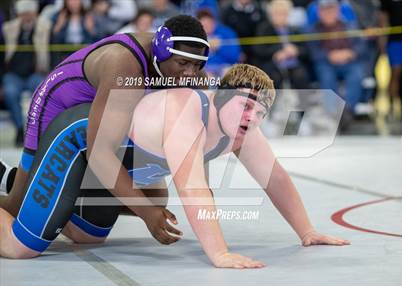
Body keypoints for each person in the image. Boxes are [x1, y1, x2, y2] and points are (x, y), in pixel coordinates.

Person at [0, 64, 350, 267]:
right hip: (80, 141)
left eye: (260, 113)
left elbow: (275, 179)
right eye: (247, 107)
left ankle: (17, 183)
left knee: (85, 237)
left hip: (111, 168)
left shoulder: (241, 130)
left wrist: (306, 231)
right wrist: (220, 252)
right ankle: (30, 195)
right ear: (222, 97)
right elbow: (193, 187)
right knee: (21, 247)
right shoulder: (189, 112)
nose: (253, 118)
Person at [0, 15, 210, 247]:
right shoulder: (126, 69)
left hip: (94, 113)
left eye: (197, 65)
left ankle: (27, 182)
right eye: (183, 64)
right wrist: (147, 215)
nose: (190, 73)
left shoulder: (187, 69)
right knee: (16, 205)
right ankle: (26, 186)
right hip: (56, 105)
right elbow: (100, 154)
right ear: (161, 51)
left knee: (155, 198)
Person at [2, 0, 51, 146]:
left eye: (29, 13)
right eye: (23, 14)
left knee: (42, 93)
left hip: (35, 73)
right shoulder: (8, 29)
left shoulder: (45, 28)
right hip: (13, 74)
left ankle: (36, 131)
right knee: (10, 93)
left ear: (35, 13)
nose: (27, 17)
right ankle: (18, 129)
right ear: (19, 14)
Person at [197, 8, 241, 77]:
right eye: (204, 25)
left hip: (224, 66)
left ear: (214, 22)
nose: (207, 27)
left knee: (230, 74)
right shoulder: (195, 36)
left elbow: (235, 56)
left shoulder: (226, 33)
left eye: (209, 23)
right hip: (204, 68)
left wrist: (220, 47)